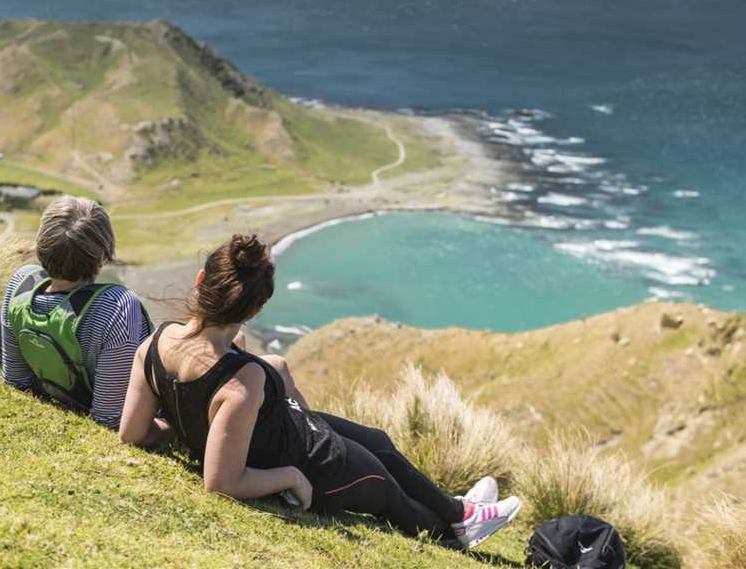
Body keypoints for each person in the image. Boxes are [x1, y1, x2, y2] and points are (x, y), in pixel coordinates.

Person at [119, 234, 521, 548]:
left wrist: (182, 429)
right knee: (390, 497)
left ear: (201, 281)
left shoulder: (153, 346)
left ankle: (462, 510)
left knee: (378, 441)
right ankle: (457, 533)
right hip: (314, 463)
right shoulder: (241, 382)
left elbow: (132, 432)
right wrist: (290, 476)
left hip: (292, 430)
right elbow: (221, 482)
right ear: (256, 310)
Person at [0, 195, 167, 441]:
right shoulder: (117, 306)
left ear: (42, 244)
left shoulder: (21, 283)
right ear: (102, 254)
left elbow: (16, 379)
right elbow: (111, 419)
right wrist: (171, 428)